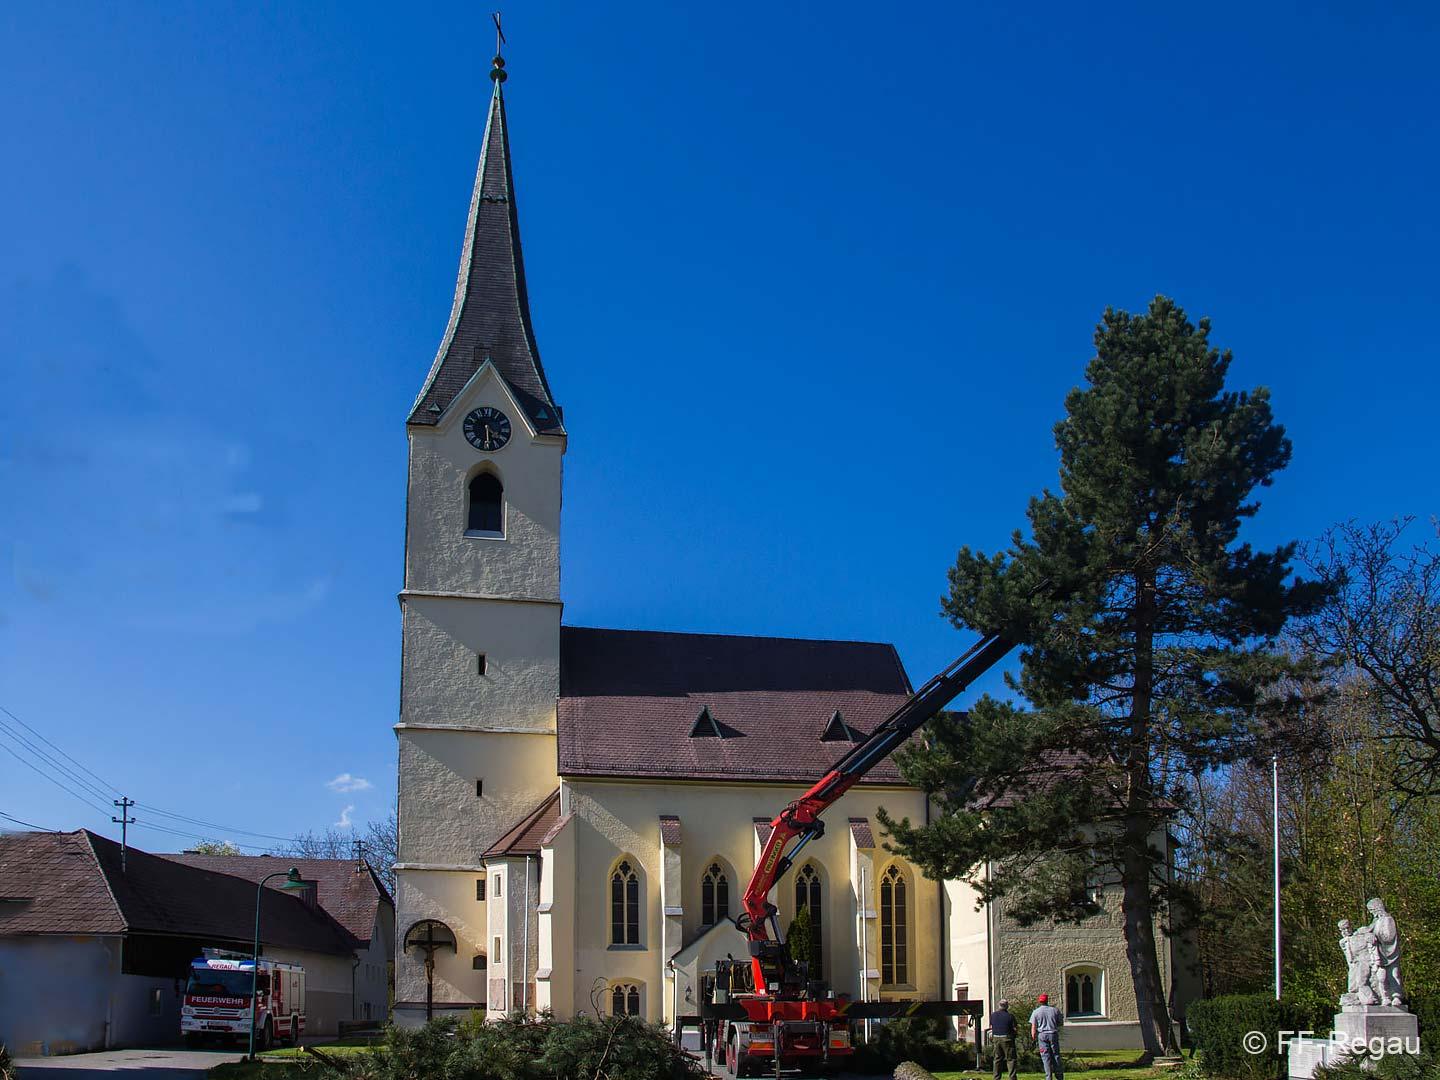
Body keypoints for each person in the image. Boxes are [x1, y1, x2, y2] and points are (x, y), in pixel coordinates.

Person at [1030, 992, 1064, 1080]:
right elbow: (1060, 1023)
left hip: (1042, 1035)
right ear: (1047, 1000)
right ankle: (1059, 1076)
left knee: (1045, 1057)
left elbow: (1033, 1026)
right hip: (1053, 1034)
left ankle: (1048, 1077)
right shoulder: (1055, 1010)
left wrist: (1033, 1036)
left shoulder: (1036, 1012)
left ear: (1040, 1001)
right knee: (1056, 1055)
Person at [989, 998, 1019, 1080]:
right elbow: (1015, 1028)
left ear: (999, 1006)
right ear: (1007, 1006)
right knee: (1011, 1059)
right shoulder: (1010, 1016)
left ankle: (996, 1077)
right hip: (1007, 1038)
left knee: (997, 1059)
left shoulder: (993, 1015)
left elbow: (991, 1027)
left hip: (996, 1038)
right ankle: (1012, 1078)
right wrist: (1015, 1035)